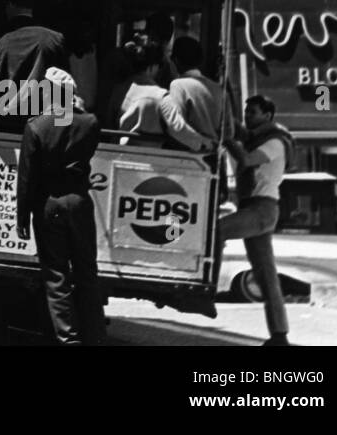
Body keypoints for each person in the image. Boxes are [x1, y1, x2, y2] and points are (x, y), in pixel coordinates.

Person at [16, 66, 106, 346]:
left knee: (56, 277)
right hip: (79, 202)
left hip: (49, 204)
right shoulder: (90, 123)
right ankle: (95, 336)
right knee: (87, 273)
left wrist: (22, 216)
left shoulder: (36, 125)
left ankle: (69, 339)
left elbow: (27, 177)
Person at [218, 96, 293, 346]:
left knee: (215, 232)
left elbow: (246, 160)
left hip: (262, 209)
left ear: (268, 116)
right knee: (266, 276)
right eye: (247, 112)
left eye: (253, 112)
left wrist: (228, 139)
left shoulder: (274, 142)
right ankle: (279, 335)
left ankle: (206, 289)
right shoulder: (254, 138)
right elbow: (237, 128)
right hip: (255, 207)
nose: (248, 116)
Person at [110, 36, 212, 152]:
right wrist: (205, 143)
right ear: (153, 67)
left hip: (118, 152)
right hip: (147, 158)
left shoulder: (120, 89)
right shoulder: (160, 96)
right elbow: (179, 129)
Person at [0, 0, 66, 99]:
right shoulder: (54, 38)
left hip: (5, 110)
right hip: (41, 112)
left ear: (9, 5)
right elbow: (63, 80)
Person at [167, 37, 224, 150]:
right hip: (212, 155)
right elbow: (228, 131)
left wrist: (201, 142)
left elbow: (176, 126)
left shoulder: (178, 85)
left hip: (186, 155)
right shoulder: (217, 88)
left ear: (176, 60)